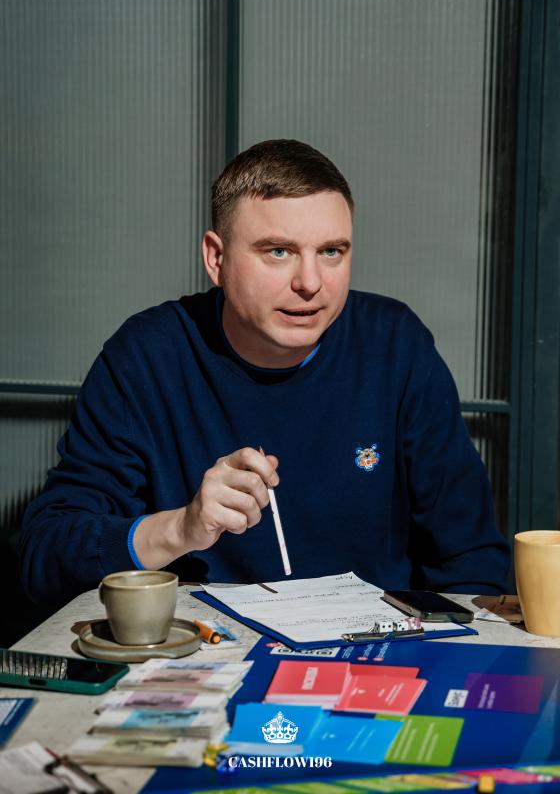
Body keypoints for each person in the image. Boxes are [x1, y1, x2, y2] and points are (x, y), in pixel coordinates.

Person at [20, 139, 510, 608]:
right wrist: (182, 528)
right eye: (279, 251)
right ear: (216, 259)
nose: (310, 283)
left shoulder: (395, 345)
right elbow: (46, 556)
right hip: (203, 651)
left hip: (375, 650)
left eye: (331, 252)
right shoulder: (147, 357)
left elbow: (471, 558)